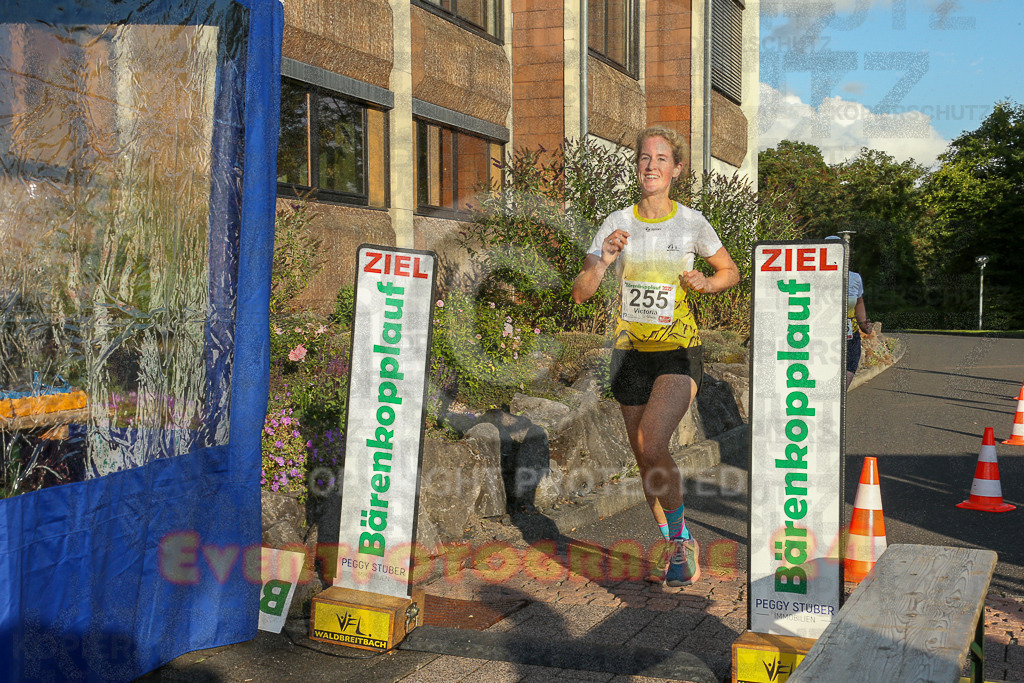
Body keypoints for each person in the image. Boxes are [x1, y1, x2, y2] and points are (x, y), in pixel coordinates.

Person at [571, 126, 739, 587]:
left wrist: (706, 282)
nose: (651, 165)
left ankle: (682, 540)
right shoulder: (614, 222)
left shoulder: (691, 223)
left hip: (678, 352)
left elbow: (730, 271)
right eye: (645, 157)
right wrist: (603, 260)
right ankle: (674, 543)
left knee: (652, 439)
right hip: (629, 355)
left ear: (676, 169)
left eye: (661, 158)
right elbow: (581, 293)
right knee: (643, 458)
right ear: (637, 165)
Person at [826, 236, 874, 388]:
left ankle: (838, 404)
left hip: (850, 334)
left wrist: (863, 324)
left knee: (849, 371)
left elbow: (859, 301)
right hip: (823, 335)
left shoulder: (854, 278)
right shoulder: (815, 277)